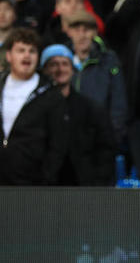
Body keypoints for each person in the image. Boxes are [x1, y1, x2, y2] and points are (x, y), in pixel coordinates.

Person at [0, 28, 69, 185]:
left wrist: (46, 178)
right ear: (9, 56)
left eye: (32, 51)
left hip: (32, 184)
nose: (27, 55)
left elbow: (58, 144)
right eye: (21, 50)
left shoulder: (51, 95)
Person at [40, 44, 115, 186]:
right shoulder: (36, 108)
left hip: (84, 186)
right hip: (46, 186)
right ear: (45, 70)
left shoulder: (91, 108)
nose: (60, 69)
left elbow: (106, 148)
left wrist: (98, 180)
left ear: (72, 70)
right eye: (53, 64)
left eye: (65, 64)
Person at [64, 10, 127, 150]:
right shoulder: (61, 62)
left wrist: (114, 137)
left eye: (86, 30)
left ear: (94, 33)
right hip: (66, 140)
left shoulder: (109, 60)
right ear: (69, 32)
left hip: (100, 140)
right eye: (77, 29)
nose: (82, 35)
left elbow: (118, 101)